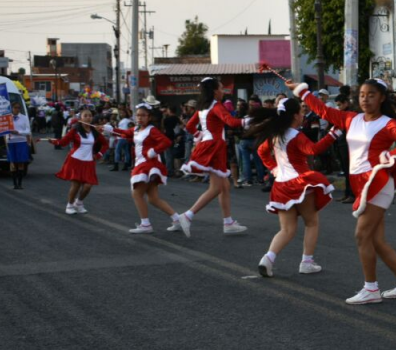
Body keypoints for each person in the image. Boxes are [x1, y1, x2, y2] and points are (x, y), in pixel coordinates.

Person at [287, 77, 396, 305]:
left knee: (361, 235)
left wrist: (391, 155)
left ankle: (371, 289)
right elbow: (323, 110)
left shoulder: (388, 123)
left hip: (377, 182)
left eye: (371, 95)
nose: (365, 99)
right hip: (360, 183)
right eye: (362, 95)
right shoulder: (351, 118)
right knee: (376, 240)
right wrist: (302, 92)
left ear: (382, 98)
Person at [247, 99, 341, 277]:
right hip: (299, 183)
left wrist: (274, 168)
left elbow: (261, 151)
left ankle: (267, 259)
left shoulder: (275, 134)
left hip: (281, 185)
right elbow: (314, 150)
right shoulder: (295, 135)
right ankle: (307, 261)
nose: (303, 114)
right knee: (311, 222)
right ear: (295, 116)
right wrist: (333, 134)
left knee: (287, 229)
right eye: (301, 111)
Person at [177, 78, 249, 237]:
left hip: (210, 145)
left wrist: (198, 135)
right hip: (215, 146)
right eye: (221, 88)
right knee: (216, 188)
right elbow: (230, 121)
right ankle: (187, 216)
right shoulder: (216, 106)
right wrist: (247, 121)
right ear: (214, 90)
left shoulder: (203, 107)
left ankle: (228, 222)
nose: (223, 91)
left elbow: (189, 126)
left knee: (224, 186)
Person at [113, 104, 181, 234]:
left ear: (149, 117)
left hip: (148, 164)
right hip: (143, 163)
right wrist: (108, 129)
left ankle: (145, 224)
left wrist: (153, 151)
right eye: (138, 115)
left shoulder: (151, 129)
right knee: (153, 199)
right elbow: (125, 133)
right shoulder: (137, 129)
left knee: (137, 193)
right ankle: (178, 219)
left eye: (143, 115)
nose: (140, 118)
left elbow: (166, 142)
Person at [49, 107, 108, 215]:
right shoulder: (75, 130)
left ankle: (79, 203)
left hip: (89, 161)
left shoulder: (95, 131)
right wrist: (55, 142)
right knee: (76, 185)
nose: (88, 118)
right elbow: (63, 142)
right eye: (85, 115)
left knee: (88, 185)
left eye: (90, 115)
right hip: (75, 160)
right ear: (80, 118)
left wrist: (98, 155)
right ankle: (70, 205)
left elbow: (105, 144)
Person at [6, 101, 32, 190]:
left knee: (21, 163)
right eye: (15, 107)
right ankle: (14, 184)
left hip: (21, 142)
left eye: (18, 108)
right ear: (12, 108)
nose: (17, 109)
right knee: (13, 163)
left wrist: (18, 132)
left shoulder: (24, 118)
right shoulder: (8, 118)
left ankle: (20, 184)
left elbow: (28, 131)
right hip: (11, 142)